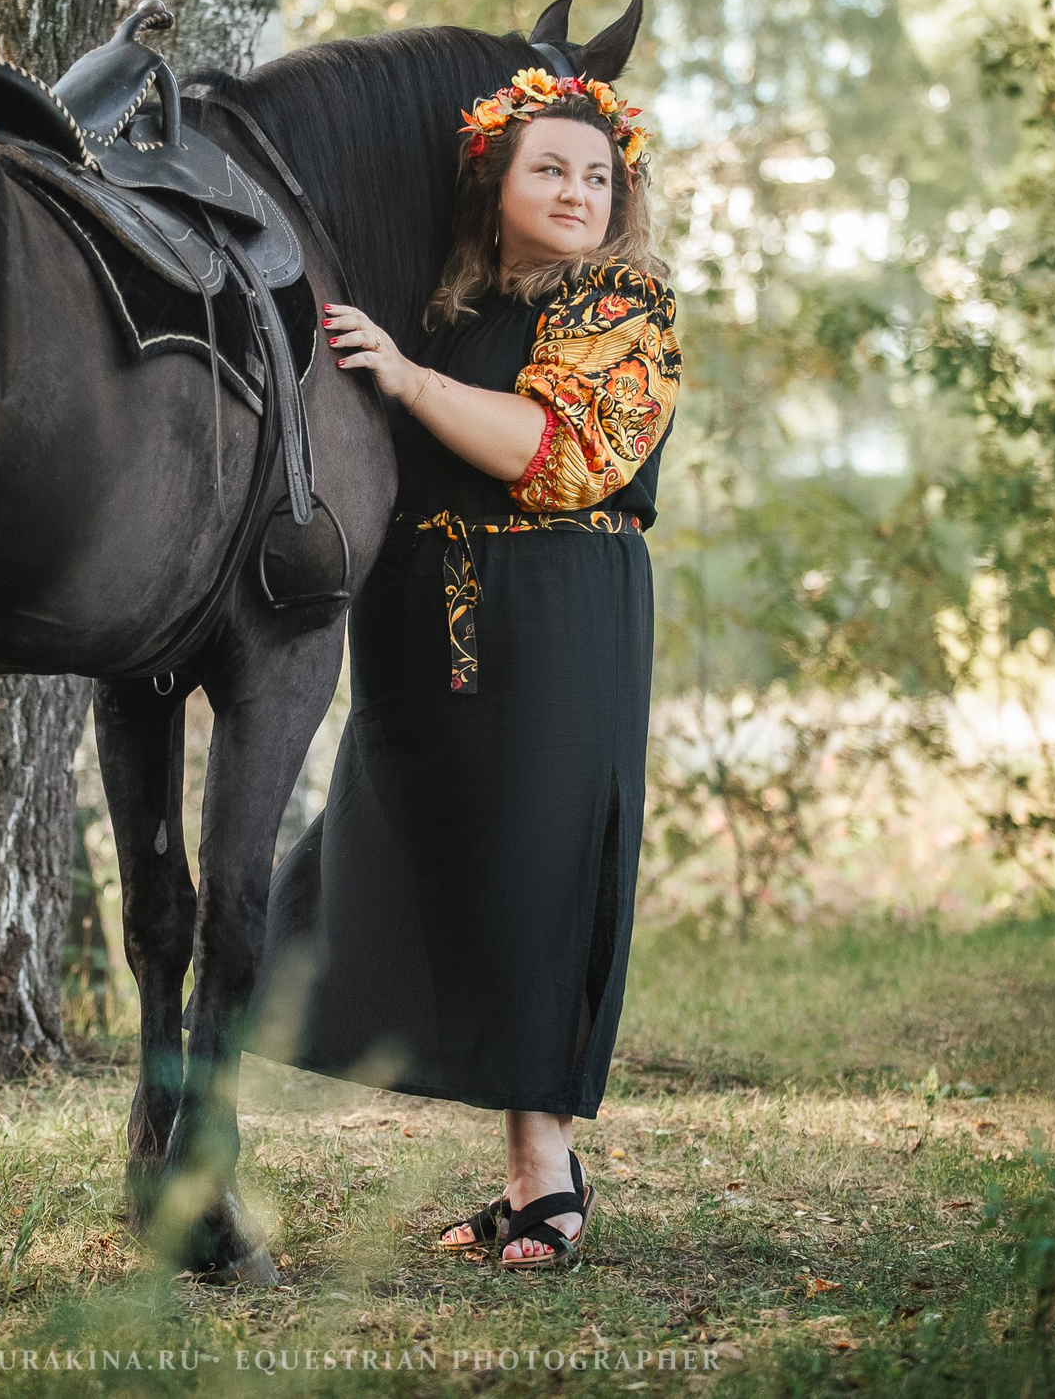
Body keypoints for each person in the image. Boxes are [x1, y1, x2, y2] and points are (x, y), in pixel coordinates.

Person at [260, 65, 679, 1268]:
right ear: (493, 180)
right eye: (550, 167)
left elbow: (558, 450)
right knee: (387, 858)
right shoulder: (439, 302)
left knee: (538, 873)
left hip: (554, 604)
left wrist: (406, 377)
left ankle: (545, 1172)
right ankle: (207, 1094)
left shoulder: (620, 300)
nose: (579, 190)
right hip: (419, 608)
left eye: (598, 174)